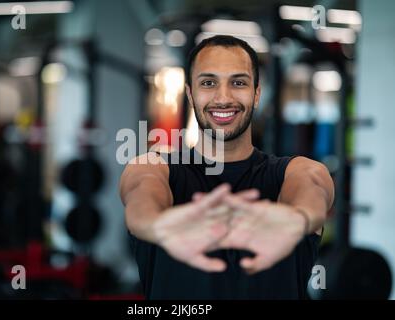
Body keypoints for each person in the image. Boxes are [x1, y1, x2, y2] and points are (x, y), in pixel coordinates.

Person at [119, 35, 334, 299]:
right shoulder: (151, 167)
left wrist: (297, 220)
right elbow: (141, 200)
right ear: (190, 94)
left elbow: (312, 191)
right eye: (209, 83)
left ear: (256, 94)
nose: (223, 97)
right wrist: (159, 226)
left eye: (238, 83)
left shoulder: (297, 171)